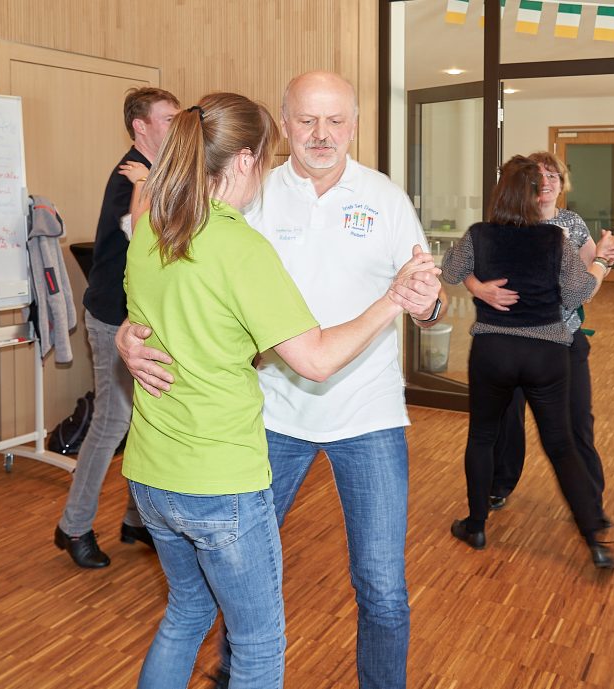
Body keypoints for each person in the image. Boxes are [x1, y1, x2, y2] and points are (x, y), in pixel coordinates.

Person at [116, 71, 441, 689]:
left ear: (354, 125)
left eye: (336, 120)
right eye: (307, 120)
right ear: (282, 128)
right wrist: (126, 337)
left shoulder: (386, 198)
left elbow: (427, 300)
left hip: (364, 415)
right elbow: (303, 352)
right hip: (264, 419)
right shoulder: (251, 201)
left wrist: (424, 303)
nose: (322, 133)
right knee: (245, 616)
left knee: (380, 589)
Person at [440, 155, 614, 569]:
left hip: (493, 350)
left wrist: (477, 283)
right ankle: (593, 538)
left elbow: (450, 271)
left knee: (482, 437)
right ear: (533, 195)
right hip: (546, 353)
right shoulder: (554, 240)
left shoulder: (479, 234)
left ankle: (476, 525)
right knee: (560, 444)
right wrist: (601, 262)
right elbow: (578, 294)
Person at [53, 86, 179, 569]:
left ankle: (136, 520)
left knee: (146, 421)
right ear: (140, 127)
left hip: (141, 320)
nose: (176, 126)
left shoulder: (153, 172)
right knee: (112, 423)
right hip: (113, 319)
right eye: (167, 119)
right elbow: (142, 236)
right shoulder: (130, 174)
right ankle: (73, 526)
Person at [466, 151, 608, 525]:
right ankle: (498, 485)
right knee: (505, 423)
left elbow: (583, 289)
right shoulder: (501, 225)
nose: (545, 183)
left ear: (562, 185)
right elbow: (466, 266)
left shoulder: (571, 225)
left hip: (562, 341)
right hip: (507, 340)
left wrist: (603, 260)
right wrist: (478, 288)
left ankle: (589, 501)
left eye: (552, 177)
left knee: (576, 423)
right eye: (538, 177)